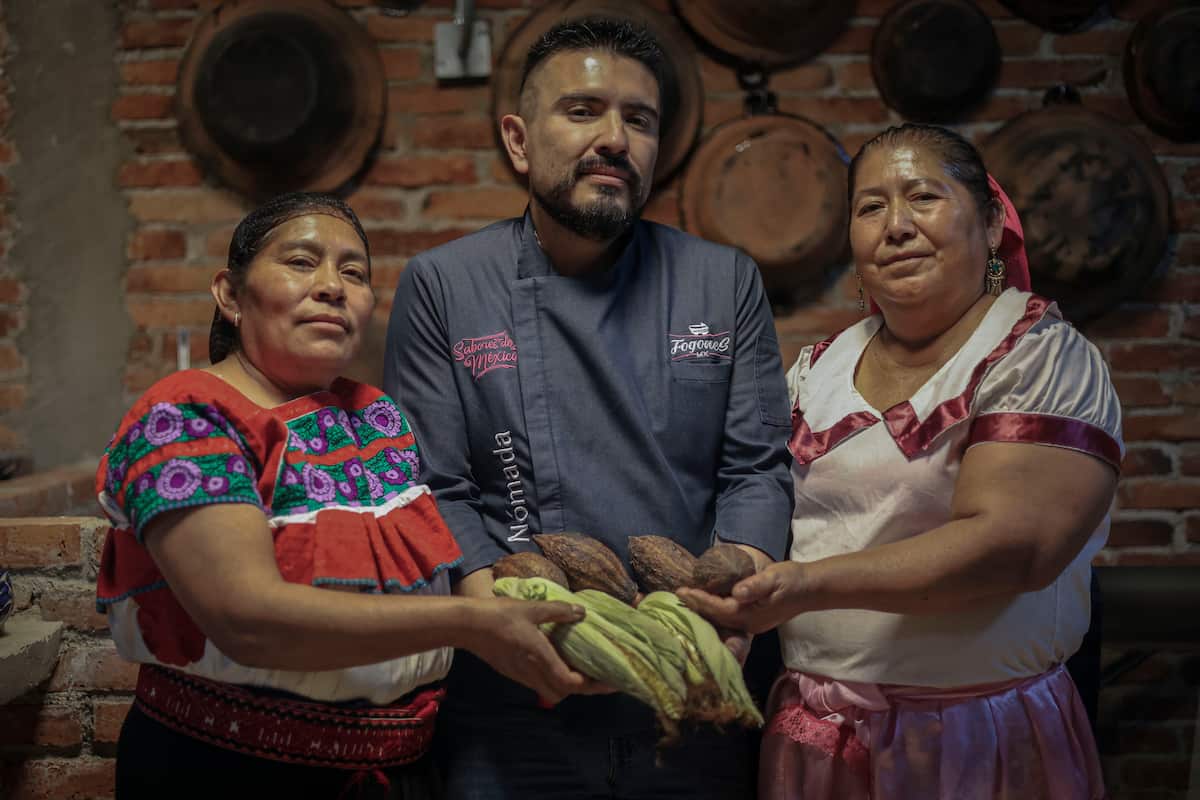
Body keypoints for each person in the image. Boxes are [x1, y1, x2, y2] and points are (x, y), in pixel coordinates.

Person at [383, 16, 793, 800]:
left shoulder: (723, 281)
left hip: (693, 685)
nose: (613, 138)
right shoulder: (445, 285)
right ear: (518, 140)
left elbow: (756, 470)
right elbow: (434, 485)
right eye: (582, 111)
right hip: (512, 705)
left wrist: (732, 615)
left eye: (639, 120)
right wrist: (499, 628)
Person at [95, 193, 594, 799]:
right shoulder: (186, 416)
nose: (332, 286)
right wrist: (474, 624)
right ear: (230, 294)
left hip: (401, 774)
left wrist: (576, 636)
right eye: (301, 262)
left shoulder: (377, 417)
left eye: (354, 273)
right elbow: (245, 619)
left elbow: (444, 581)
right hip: (232, 775)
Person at [681, 123, 1120, 800]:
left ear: (992, 222)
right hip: (814, 731)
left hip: (972, 736)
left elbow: (1014, 549)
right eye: (870, 207)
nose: (896, 226)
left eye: (923, 197)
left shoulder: (1038, 356)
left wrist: (806, 586)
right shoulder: (818, 370)